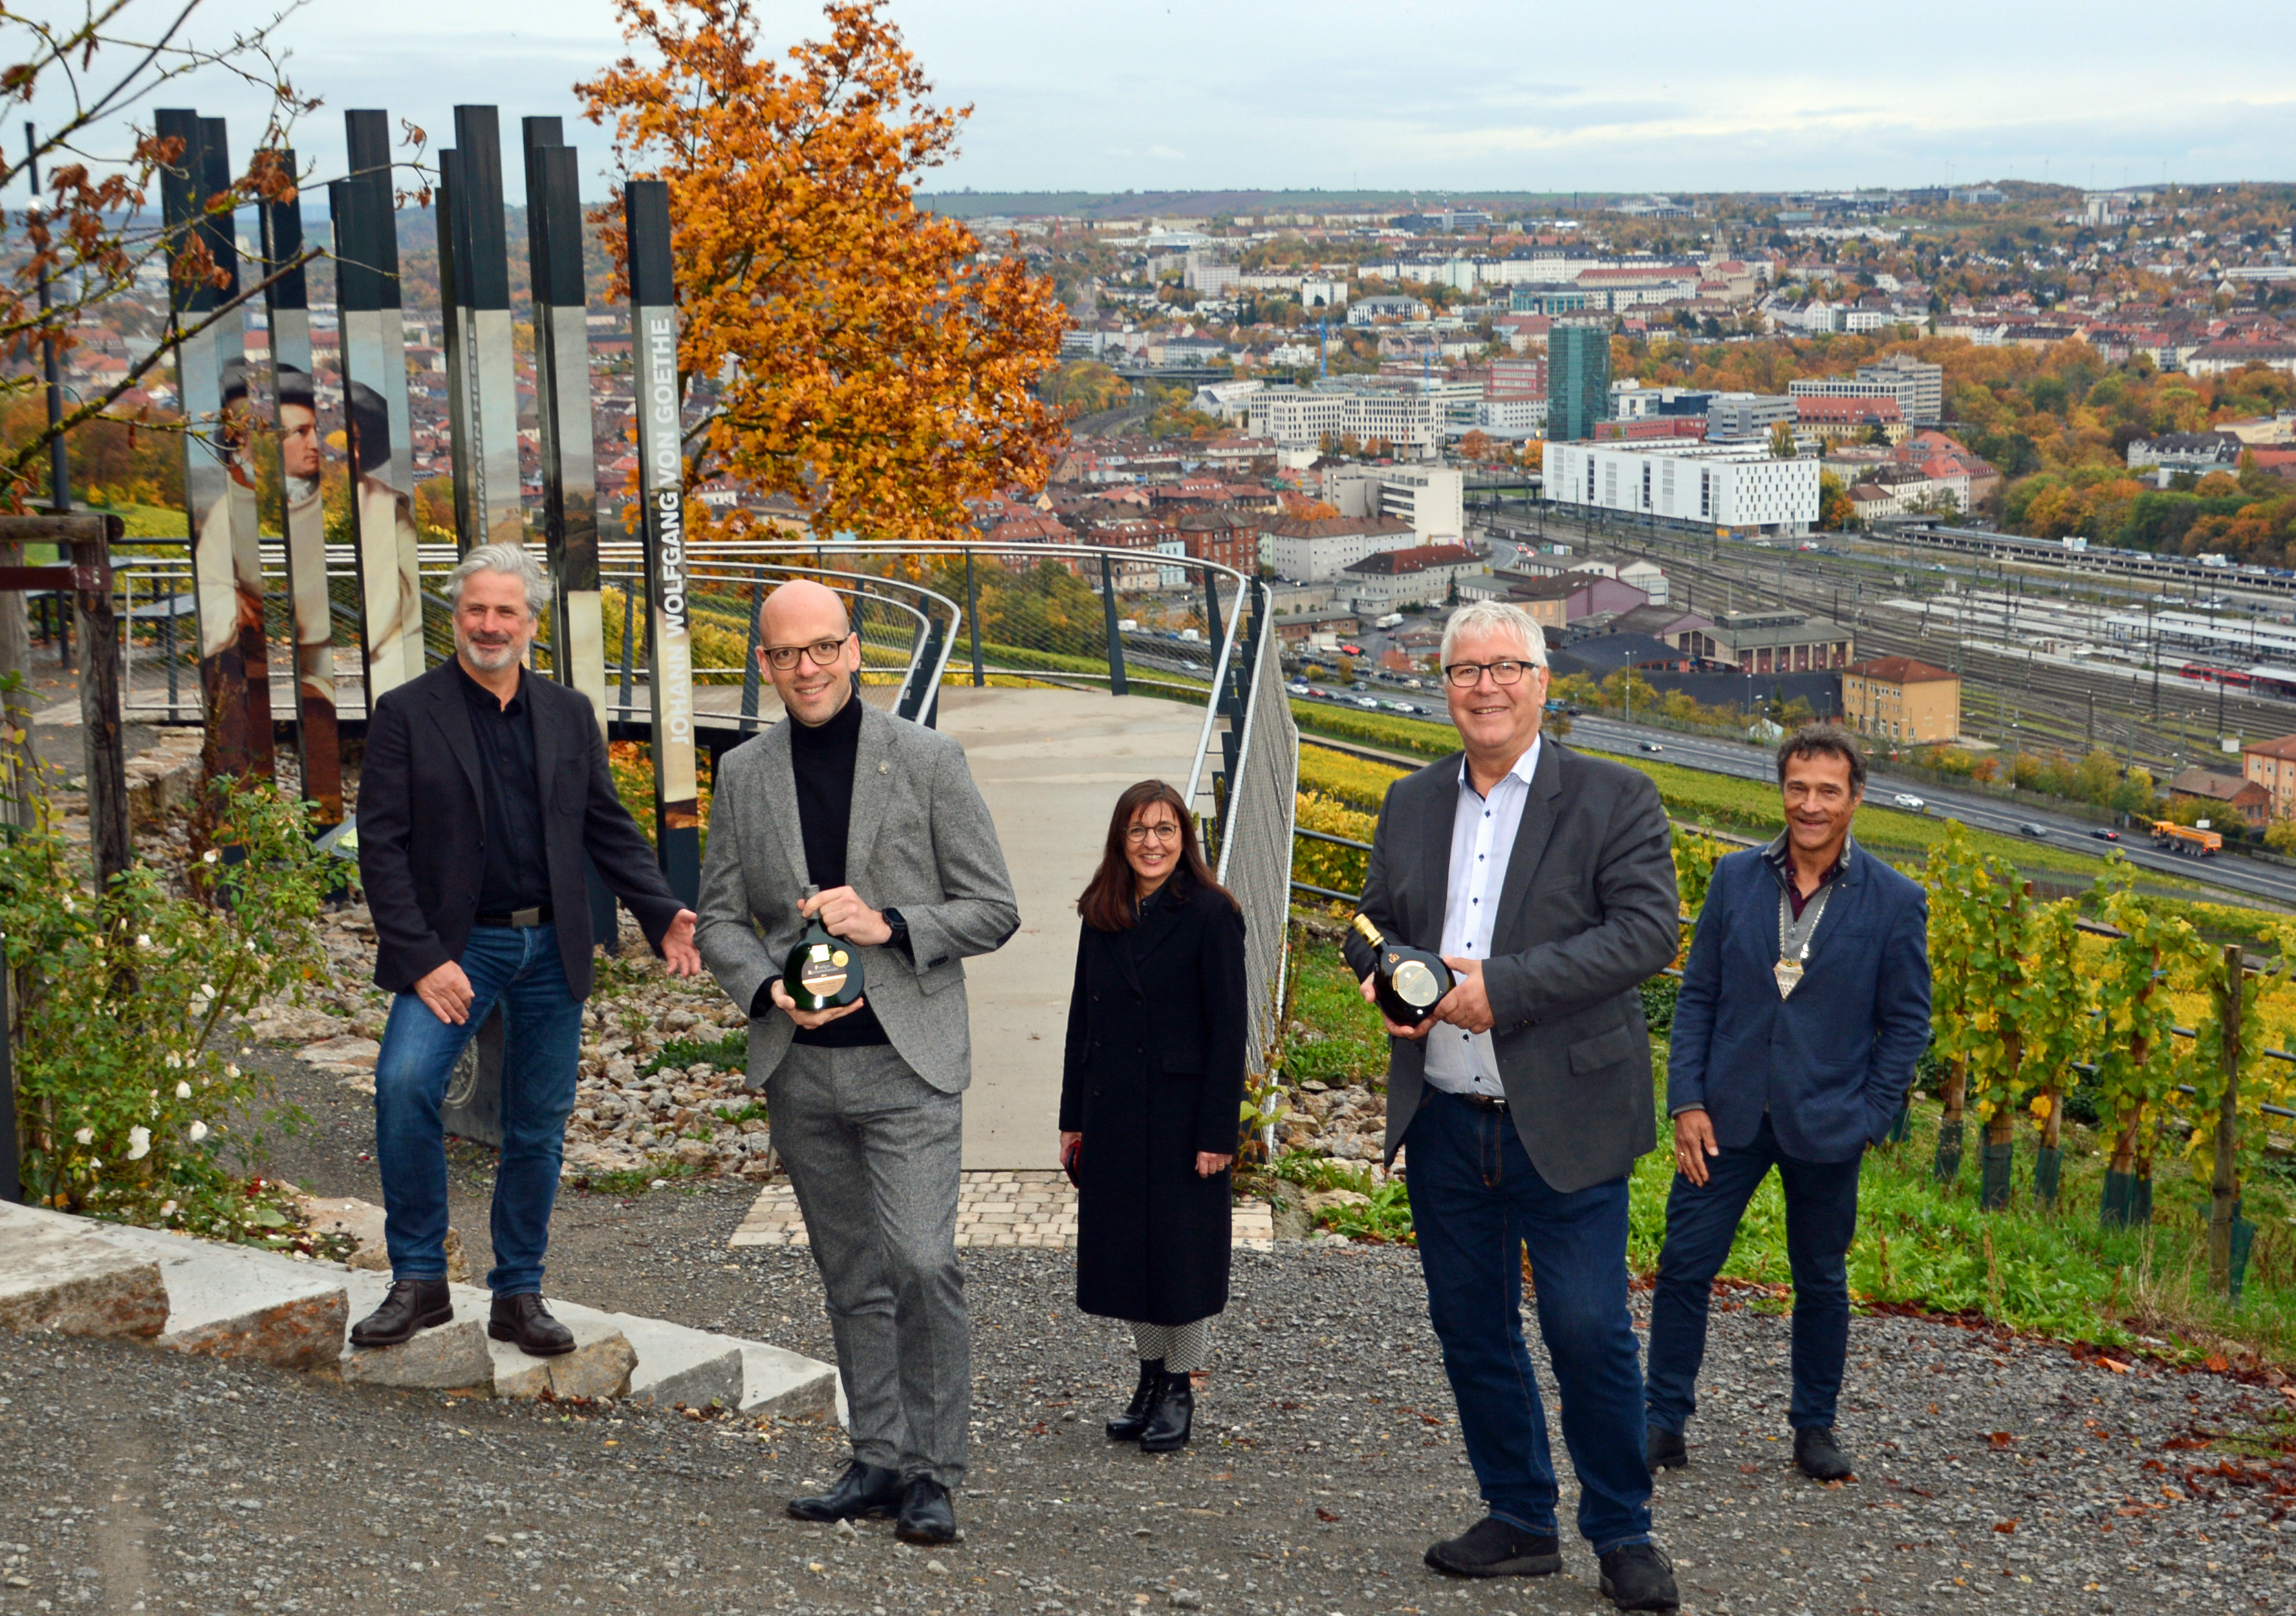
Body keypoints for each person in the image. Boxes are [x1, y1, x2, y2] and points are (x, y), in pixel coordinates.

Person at [1341, 598, 1682, 1612]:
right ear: (1441, 686)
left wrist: (1503, 984)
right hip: (1445, 1113)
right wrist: (1379, 974)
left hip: (1564, 1118)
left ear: (1541, 680)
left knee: (1586, 1331)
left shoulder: (1614, 797)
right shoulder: (1409, 801)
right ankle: (1520, 1516)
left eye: (1503, 667)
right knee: (1471, 1327)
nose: (1483, 686)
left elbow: (1647, 932)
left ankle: (1622, 1530)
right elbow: (1364, 919)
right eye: (1462, 670)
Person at [695, 579, 1019, 1547]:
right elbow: (718, 916)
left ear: (852, 650)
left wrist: (891, 924)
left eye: (822, 647)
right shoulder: (744, 773)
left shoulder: (926, 760)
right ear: (763, 663)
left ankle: (934, 1469)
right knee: (848, 1271)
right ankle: (877, 1454)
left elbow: (994, 907)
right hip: (802, 1066)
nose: (806, 667)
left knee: (920, 1262)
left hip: (906, 1064)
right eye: (786, 653)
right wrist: (764, 988)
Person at [352, 543, 703, 1355]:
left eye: (505, 610)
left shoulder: (568, 712)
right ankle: (419, 1280)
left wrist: (658, 912)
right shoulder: (409, 713)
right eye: (476, 608)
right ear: (456, 614)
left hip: (552, 944)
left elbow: (605, 825)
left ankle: (518, 1291)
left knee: (536, 1126)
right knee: (403, 1084)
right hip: (454, 950)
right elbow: (383, 848)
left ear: (531, 622)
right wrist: (420, 956)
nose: (489, 624)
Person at [1646, 723, 1930, 1483]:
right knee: (1682, 1266)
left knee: (1820, 1280)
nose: (1810, 805)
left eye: (1827, 791)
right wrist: (1685, 1101)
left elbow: (1905, 1024)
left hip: (1826, 1125)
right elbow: (1698, 994)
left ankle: (1813, 1428)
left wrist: (1869, 1116)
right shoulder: (1734, 878)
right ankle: (1660, 1419)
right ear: (1781, 790)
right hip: (1723, 1119)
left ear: (1855, 798)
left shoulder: (1896, 902)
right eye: (1797, 787)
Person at [1058, 780, 1246, 1455]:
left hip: (1180, 1117)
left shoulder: (1210, 912)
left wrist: (1217, 1133)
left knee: (1181, 1260)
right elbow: (1082, 1016)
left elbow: (1229, 1031)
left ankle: (1177, 1388)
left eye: (1165, 829)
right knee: (1127, 1258)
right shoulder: (1101, 910)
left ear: (1184, 838)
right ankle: (1146, 1380)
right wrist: (1072, 1118)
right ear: (1120, 838)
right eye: (1138, 830)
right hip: (1113, 1112)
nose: (1151, 842)